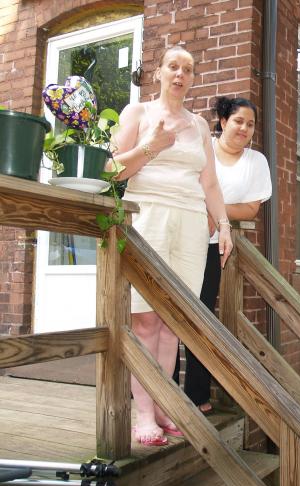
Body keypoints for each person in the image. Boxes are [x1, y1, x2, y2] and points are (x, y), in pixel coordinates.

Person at [110, 46, 233, 446]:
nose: (181, 74)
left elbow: (210, 183)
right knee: (144, 319)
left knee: (171, 321)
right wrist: (152, 147)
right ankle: (143, 411)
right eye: (174, 67)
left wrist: (225, 225)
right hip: (149, 217)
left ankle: (163, 404)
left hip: (193, 225)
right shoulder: (138, 114)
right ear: (159, 72)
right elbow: (110, 170)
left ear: (193, 78)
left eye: (189, 69)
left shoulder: (199, 126)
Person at [175, 96, 272, 414]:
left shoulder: (255, 162)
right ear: (223, 121)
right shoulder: (203, 148)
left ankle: (197, 395)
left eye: (251, 123)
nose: (245, 128)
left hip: (215, 246)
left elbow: (252, 209)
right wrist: (214, 207)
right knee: (168, 312)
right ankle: (163, 389)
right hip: (180, 239)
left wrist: (214, 210)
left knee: (202, 315)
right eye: (239, 121)